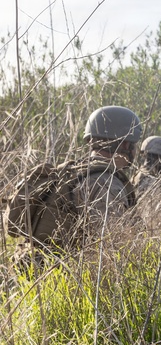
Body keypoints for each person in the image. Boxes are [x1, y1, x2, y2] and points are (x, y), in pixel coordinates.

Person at [6, 105, 142, 267]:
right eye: (134, 145)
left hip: (32, 266)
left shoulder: (68, 171)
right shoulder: (106, 182)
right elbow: (115, 246)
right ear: (126, 145)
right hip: (65, 274)